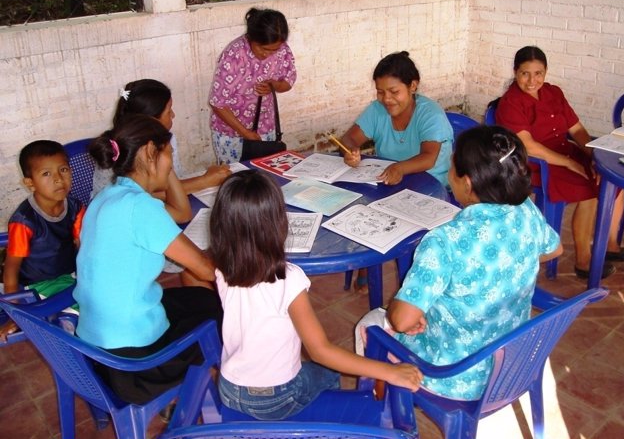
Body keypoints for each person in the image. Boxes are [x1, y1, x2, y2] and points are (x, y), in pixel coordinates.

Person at [356, 125, 562, 399]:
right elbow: (555, 248)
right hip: (512, 360)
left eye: (451, 167)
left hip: (454, 377)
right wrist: (508, 268)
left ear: (467, 183)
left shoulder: (445, 241)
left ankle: (381, 406)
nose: (448, 174)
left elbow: (403, 321)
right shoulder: (525, 208)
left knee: (369, 324)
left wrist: (401, 310)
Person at [207, 169, 422, 420]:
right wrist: (388, 372)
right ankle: (323, 421)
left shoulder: (222, 268)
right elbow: (320, 351)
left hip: (230, 388)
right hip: (277, 399)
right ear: (278, 224)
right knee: (328, 372)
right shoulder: (288, 279)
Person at [73, 115, 222, 404]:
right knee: (224, 315)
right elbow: (205, 269)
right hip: (137, 366)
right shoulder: (141, 207)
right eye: (169, 154)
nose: (171, 165)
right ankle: (194, 399)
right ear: (150, 153)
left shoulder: (105, 198)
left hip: (95, 350)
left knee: (200, 301)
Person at [496, 46, 624, 279]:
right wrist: (569, 164)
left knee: (610, 176)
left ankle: (610, 246)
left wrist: (593, 156)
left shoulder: (553, 93)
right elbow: (528, 146)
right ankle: (583, 260)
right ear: (515, 72)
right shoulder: (510, 102)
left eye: (538, 73)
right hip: (536, 163)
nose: (532, 80)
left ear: (546, 72)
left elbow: (577, 129)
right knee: (589, 190)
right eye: (525, 73)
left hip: (564, 151)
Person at [92, 79, 231, 202]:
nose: (173, 115)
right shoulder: (120, 148)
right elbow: (149, 194)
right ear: (151, 121)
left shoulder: (166, 139)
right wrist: (204, 181)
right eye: (169, 111)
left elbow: (171, 186)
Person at [1, 140, 85, 341]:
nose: (58, 179)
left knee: (98, 300)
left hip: (68, 274)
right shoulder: (25, 221)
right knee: (70, 311)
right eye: (46, 174)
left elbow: (82, 246)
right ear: (30, 183)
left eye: (63, 169)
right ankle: (64, 326)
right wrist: (17, 314)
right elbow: (11, 270)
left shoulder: (75, 207)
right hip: (37, 282)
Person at [339, 51, 454, 187]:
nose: (386, 99)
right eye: (380, 92)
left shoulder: (431, 114)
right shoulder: (377, 109)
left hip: (434, 188)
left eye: (394, 92)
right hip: (391, 184)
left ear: (412, 86)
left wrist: (400, 168)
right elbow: (348, 139)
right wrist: (351, 151)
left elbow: (428, 158)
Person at [208, 8, 297, 164]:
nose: (267, 54)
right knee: (236, 181)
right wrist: (245, 133)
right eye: (262, 48)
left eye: (273, 50)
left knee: (265, 178)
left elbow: (288, 81)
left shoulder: (282, 50)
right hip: (231, 133)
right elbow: (217, 103)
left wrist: (274, 86)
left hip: (264, 129)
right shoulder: (234, 55)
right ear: (251, 38)